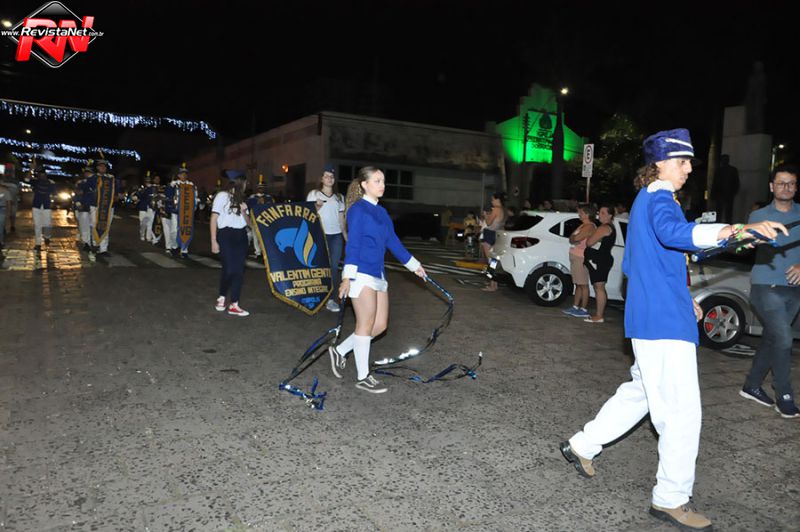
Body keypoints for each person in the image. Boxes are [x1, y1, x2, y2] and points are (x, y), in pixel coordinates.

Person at [559, 128, 786, 531]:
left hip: (654, 316)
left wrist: (685, 295)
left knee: (641, 393)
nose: (688, 169)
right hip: (663, 322)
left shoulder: (647, 200)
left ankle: (582, 445)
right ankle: (670, 499)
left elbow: (653, 259)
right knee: (681, 414)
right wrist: (736, 230)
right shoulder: (660, 197)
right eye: (683, 162)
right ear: (660, 163)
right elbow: (675, 235)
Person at [327, 166, 426, 393]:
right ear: (364, 184)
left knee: (380, 325)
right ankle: (363, 376)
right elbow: (353, 244)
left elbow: (393, 242)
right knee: (365, 324)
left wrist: (415, 266)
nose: (382, 185)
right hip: (360, 273)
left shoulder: (381, 212)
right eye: (377, 181)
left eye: (383, 181)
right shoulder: (357, 210)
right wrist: (347, 277)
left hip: (378, 273)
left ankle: (340, 350)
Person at [740, 164, 800, 418]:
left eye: (791, 183)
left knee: (773, 339)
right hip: (766, 286)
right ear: (771, 187)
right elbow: (745, 243)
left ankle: (751, 385)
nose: (786, 187)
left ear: (796, 187)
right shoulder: (759, 215)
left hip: (794, 290)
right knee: (784, 339)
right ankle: (783, 395)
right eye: (781, 183)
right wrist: (746, 239)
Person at [210, 170, 251, 317]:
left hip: (241, 236)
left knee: (238, 270)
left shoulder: (243, 200)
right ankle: (222, 297)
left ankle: (234, 304)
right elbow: (214, 218)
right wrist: (214, 240)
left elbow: (250, 224)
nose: (246, 185)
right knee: (228, 269)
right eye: (245, 182)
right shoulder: (222, 196)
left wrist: (244, 212)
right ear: (239, 182)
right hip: (226, 235)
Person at [306, 164, 346, 312]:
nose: (329, 178)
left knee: (333, 268)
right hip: (319, 235)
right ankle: (316, 296)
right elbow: (307, 215)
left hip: (336, 237)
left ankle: (331, 299)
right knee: (318, 267)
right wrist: (316, 207)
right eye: (326, 176)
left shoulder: (339, 197)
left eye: (332, 176)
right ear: (321, 179)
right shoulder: (314, 194)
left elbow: (342, 220)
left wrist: (346, 237)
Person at [583, 204, 616, 323]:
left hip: (601, 260)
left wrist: (591, 236)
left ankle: (599, 315)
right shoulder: (607, 227)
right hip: (600, 259)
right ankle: (598, 314)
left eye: (603, 213)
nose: (599, 215)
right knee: (598, 287)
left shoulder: (604, 228)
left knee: (599, 287)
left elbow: (589, 242)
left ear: (610, 215)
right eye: (599, 212)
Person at [562, 203, 596, 318]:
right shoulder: (583, 225)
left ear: (587, 214)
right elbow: (571, 238)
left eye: (581, 212)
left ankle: (583, 309)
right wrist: (573, 239)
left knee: (583, 284)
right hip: (576, 256)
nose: (579, 214)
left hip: (581, 257)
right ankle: (575, 306)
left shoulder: (589, 226)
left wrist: (574, 239)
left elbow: (576, 238)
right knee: (578, 284)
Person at [87, 157, 121, 256]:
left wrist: (117, 195)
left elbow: (117, 189)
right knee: (95, 225)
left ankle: (103, 249)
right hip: (96, 206)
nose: (103, 168)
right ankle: (95, 245)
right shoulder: (93, 177)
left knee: (106, 226)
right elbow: (89, 187)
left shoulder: (111, 178)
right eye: (100, 166)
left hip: (108, 207)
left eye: (104, 166)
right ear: (97, 168)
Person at [480, 192, 506, 292]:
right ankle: (494, 283)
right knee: (494, 261)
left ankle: (492, 285)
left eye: (492, 199)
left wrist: (486, 215)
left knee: (490, 261)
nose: (491, 201)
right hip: (496, 235)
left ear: (497, 199)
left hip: (489, 234)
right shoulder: (502, 210)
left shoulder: (496, 209)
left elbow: (488, 222)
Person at [710, 154, 740, 223]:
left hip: (727, 193)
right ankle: (721, 223)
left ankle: (726, 224)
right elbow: (715, 183)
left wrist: (734, 191)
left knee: (727, 212)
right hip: (721, 194)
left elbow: (736, 182)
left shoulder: (732, 170)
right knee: (720, 211)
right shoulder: (719, 170)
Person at [31, 167, 55, 252]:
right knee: (37, 225)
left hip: (46, 205)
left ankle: (47, 237)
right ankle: (38, 244)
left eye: (43, 175)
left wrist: (53, 200)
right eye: (40, 175)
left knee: (47, 224)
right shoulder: (35, 182)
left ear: (46, 175)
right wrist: (31, 168)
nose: (42, 176)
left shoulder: (51, 182)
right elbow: (26, 179)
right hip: (36, 205)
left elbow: (54, 193)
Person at [73, 163, 94, 251]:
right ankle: (86, 243)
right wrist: (78, 204)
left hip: (93, 207)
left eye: (89, 173)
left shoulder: (97, 183)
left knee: (92, 225)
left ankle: (92, 241)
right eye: (86, 172)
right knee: (84, 226)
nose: (87, 174)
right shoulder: (81, 183)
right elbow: (77, 194)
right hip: (83, 207)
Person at [131, 171, 155, 242]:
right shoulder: (142, 189)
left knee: (150, 224)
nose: (148, 181)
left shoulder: (153, 189)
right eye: (146, 179)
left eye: (149, 179)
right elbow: (137, 196)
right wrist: (134, 197)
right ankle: (142, 235)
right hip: (143, 208)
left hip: (151, 208)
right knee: (143, 223)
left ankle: (148, 237)